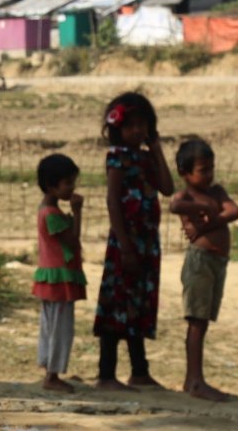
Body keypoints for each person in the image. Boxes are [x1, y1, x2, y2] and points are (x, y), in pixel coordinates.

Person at [93, 91, 174, 391]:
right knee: (116, 305)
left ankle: (140, 370)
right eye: (132, 126)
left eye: (143, 125)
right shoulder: (117, 158)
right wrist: (125, 245)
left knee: (138, 303)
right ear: (118, 128)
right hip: (124, 243)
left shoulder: (146, 157)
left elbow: (167, 187)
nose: (137, 131)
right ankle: (106, 374)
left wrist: (157, 150)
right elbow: (113, 201)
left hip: (147, 243)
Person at [170, 138, 238, 401]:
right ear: (185, 173)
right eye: (203, 170)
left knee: (203, 320)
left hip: (217, 262)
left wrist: (206, 224)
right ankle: (196, 380)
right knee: (196, 321)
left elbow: (234, 211)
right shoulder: (189, 196)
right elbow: (175, 205)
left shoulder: (217, 191)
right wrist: (205, 207)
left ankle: (192, 379)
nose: (209, 175)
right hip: (200, 261)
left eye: (212, 168)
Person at [31, 153, 87, 393]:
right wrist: (78, 212)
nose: (72, 188)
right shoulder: (52, 214)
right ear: (52, 186)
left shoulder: (46, 209)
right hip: (60, 279)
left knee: (50, 326)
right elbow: (73, 242)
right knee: (60, 329)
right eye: (68, 183)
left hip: (51, 277)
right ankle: (52, 375)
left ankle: (49, 368)